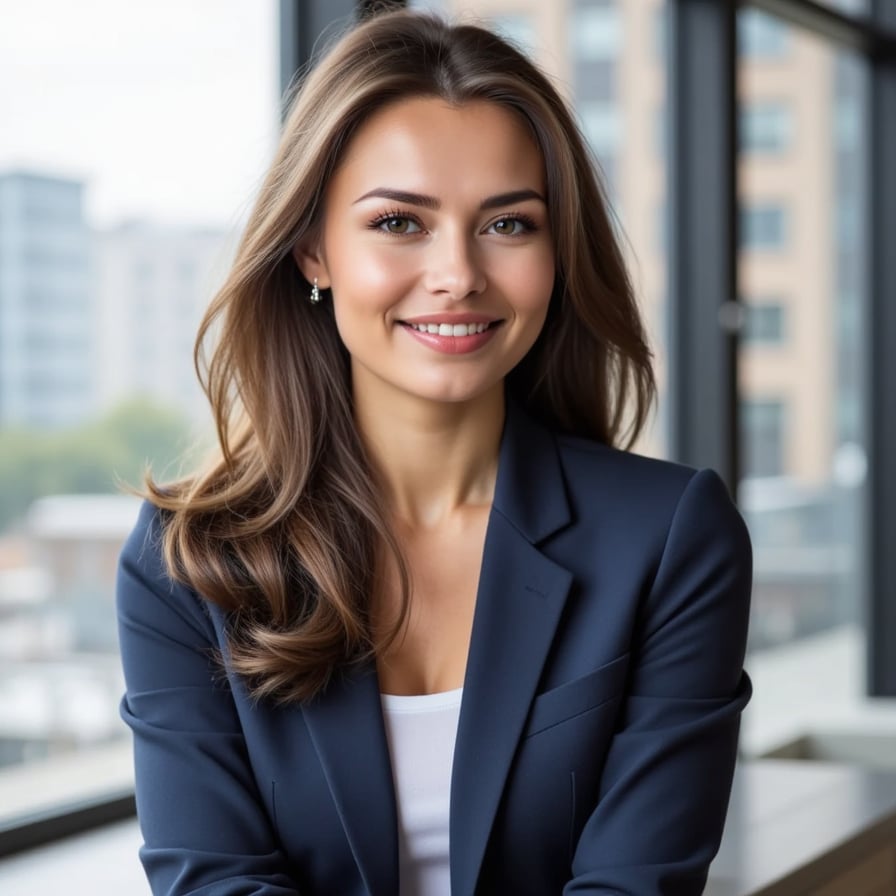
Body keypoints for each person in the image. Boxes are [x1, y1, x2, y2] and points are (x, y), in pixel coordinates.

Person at [116, 8, 752, 896]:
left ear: (556, 251)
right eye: (399, 224)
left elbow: (635, 885)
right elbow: (215, 880)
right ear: (312, 249)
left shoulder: (671, 537)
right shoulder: (186, 560)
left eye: (508, 225)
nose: (458, 272)